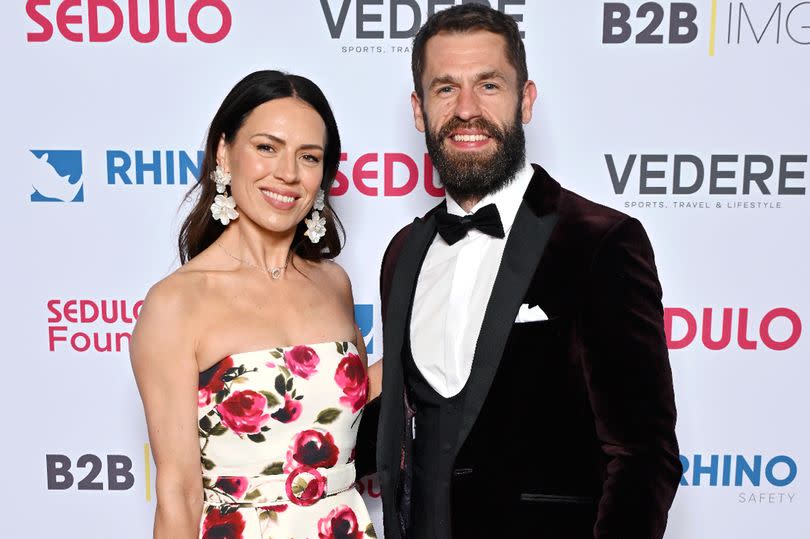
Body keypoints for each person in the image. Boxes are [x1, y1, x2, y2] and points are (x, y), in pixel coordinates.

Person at [373, 5, 682, 538]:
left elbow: (643, 455)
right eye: (445, 89)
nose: (466, 110)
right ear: (419, 110)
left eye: (488, 85)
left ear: (527, 99)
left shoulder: (599, 241)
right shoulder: (404, 252)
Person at [130, 70, 381, 539]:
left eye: (308, 157)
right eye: (267, 147)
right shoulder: (176, 303)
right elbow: (179, 494)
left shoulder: (334, 283)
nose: (287, 173)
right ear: (224, 153)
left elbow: (342, 412)